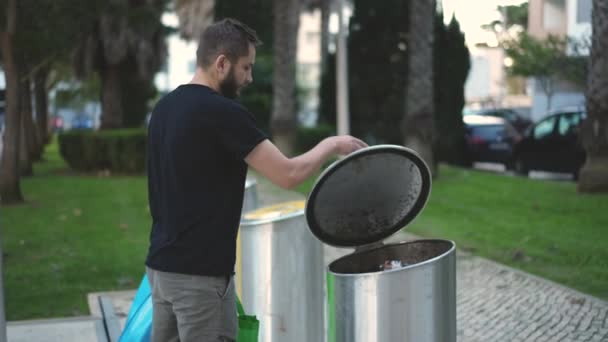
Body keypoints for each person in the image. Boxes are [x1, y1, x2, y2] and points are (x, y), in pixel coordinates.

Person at [145, 18, 367, 342]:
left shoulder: (164, 109)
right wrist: (332, 145)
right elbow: (288, 175)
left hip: (161, 270)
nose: (249, 77)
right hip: (199, 279)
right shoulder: (223, 113)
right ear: (222, 63)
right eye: (246, 67)